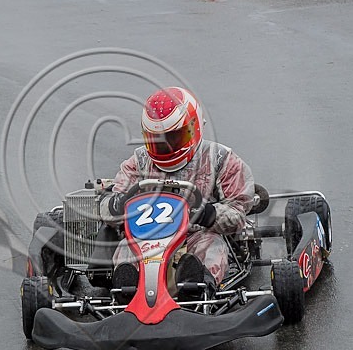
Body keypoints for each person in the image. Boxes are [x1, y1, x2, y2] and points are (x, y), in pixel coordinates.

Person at [99, 86, 256, 298]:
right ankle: (127, 293)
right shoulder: (140, 161)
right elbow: (106, 206)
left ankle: (197, 290)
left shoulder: (220, 159)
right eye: (157, 140)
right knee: (127, 246)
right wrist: (118, 205)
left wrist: (207, 213)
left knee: (211, 245)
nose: (165, 147)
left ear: (194, 128)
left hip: (196, 234)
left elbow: (238, 212)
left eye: (173, 138)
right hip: (147, 237)